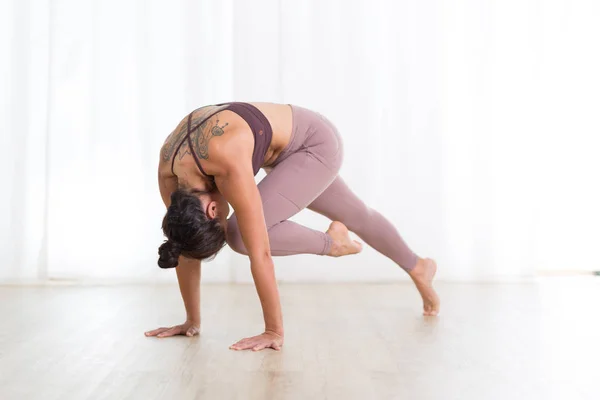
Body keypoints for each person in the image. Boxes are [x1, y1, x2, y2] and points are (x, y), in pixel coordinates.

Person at [145, 102, 439, 351]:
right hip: (287, 150)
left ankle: (333, 243)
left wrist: (273, 332)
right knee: (358, 215)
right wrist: (191, 322)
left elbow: (260, 252)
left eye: (219, 218)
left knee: (240, 237)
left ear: (212, 209)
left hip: (314, 143)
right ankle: (418, 266)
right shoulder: (170, 174)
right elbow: (182, 244)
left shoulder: (225, 164)